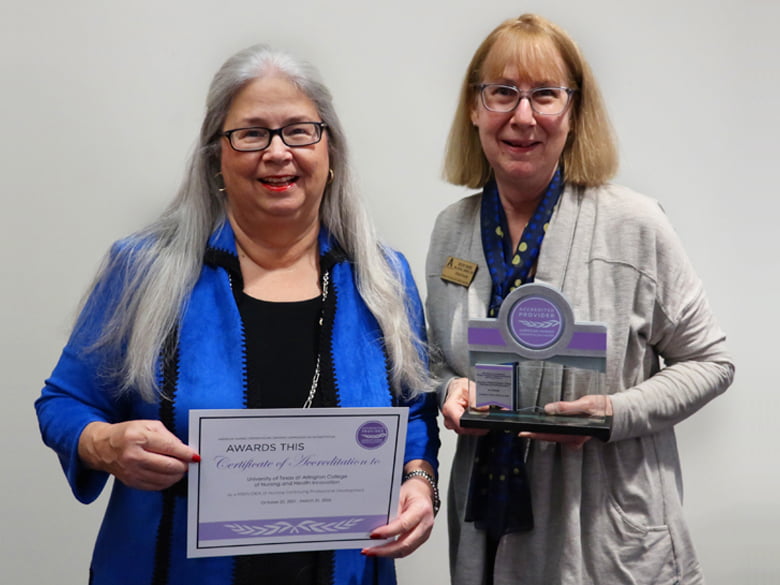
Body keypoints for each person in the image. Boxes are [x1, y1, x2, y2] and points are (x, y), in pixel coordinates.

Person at [35, 44, 440, 585]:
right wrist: (102, 444)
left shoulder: (383, 278)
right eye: (251, 133)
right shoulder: (142, 270)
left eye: (299, 130)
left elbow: (413, 412)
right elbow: (64, 401)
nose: (277, 152)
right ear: (216, 157)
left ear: (331, 152)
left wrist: (419, 481)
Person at [426, 13, 734, 585]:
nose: (523, 116)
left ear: (573, 112)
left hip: (603, 535)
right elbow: (440, 360)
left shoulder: (634, 225)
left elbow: (711, 362)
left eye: (546, 94)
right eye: (502, 93)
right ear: (474, 108)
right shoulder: (452, 231)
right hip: (486, 529)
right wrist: (451, 389)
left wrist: (613, 414)